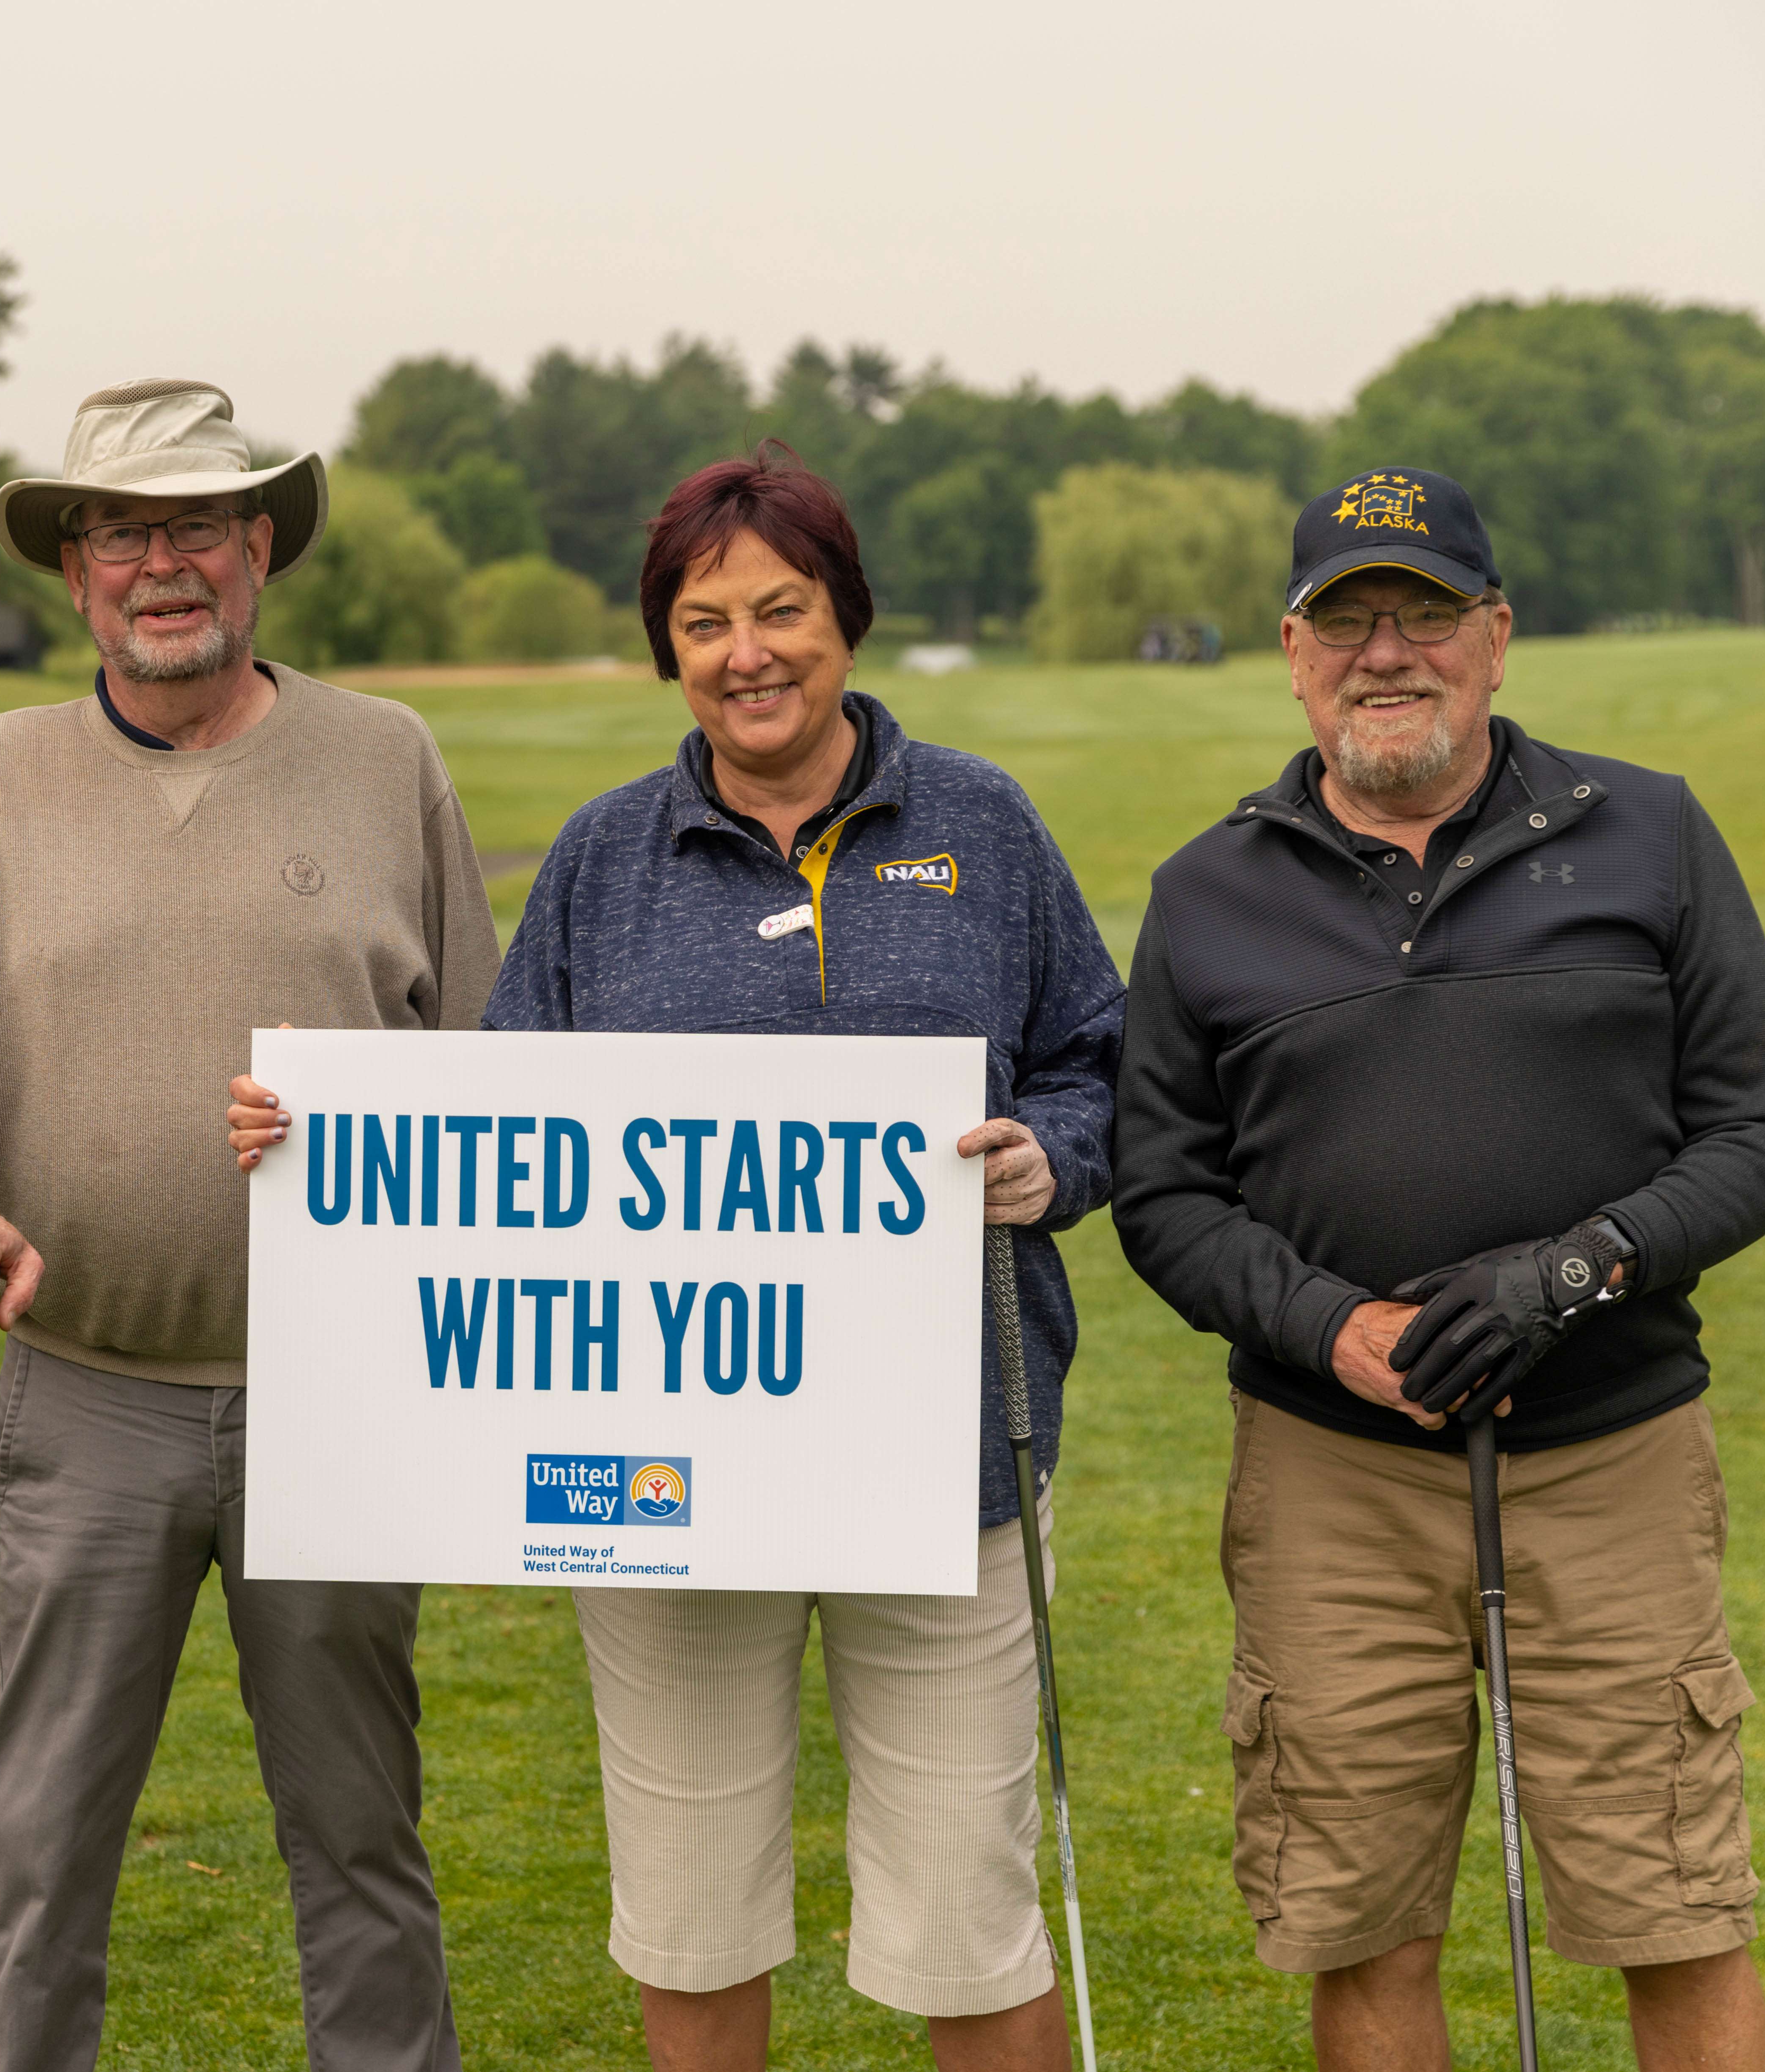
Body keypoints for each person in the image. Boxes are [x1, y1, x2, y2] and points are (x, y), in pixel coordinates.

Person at [234, 445, 1121, 2072]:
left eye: (781, 609)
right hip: (660, 1482)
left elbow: (1104, 1061)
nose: (748, 652)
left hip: (949, 1473)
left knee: (967, 1921)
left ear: (844, 620)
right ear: (670, 646)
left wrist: (1048, 1156)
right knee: (693, 1909)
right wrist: (318, 1141)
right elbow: (500, 1141)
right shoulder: (601, 858)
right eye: (704, 620)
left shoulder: (982, 829)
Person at [1112, 468, 1765, 2072]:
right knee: (1364, 1920)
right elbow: (1164, 1194)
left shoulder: (1649, 831)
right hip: (1332, 1477)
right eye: (1346, 619)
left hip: (1614, 1457)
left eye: (1425, 614)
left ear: (1496, 637)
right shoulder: (1207, 891)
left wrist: (1573, 1274)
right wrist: (1334, 1327)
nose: (1388, 652)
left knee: (1674, 1903)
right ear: (1293, 655)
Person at [0, 377, 498, 2072]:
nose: (163, 564)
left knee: (362, 1838)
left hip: (342, 1401)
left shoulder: (387, 757)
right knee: (37, 1854)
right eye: (123, 530)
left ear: (259, 544)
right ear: (74, 569)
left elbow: (486, 1078)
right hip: (77, 1396)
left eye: (198, 524)